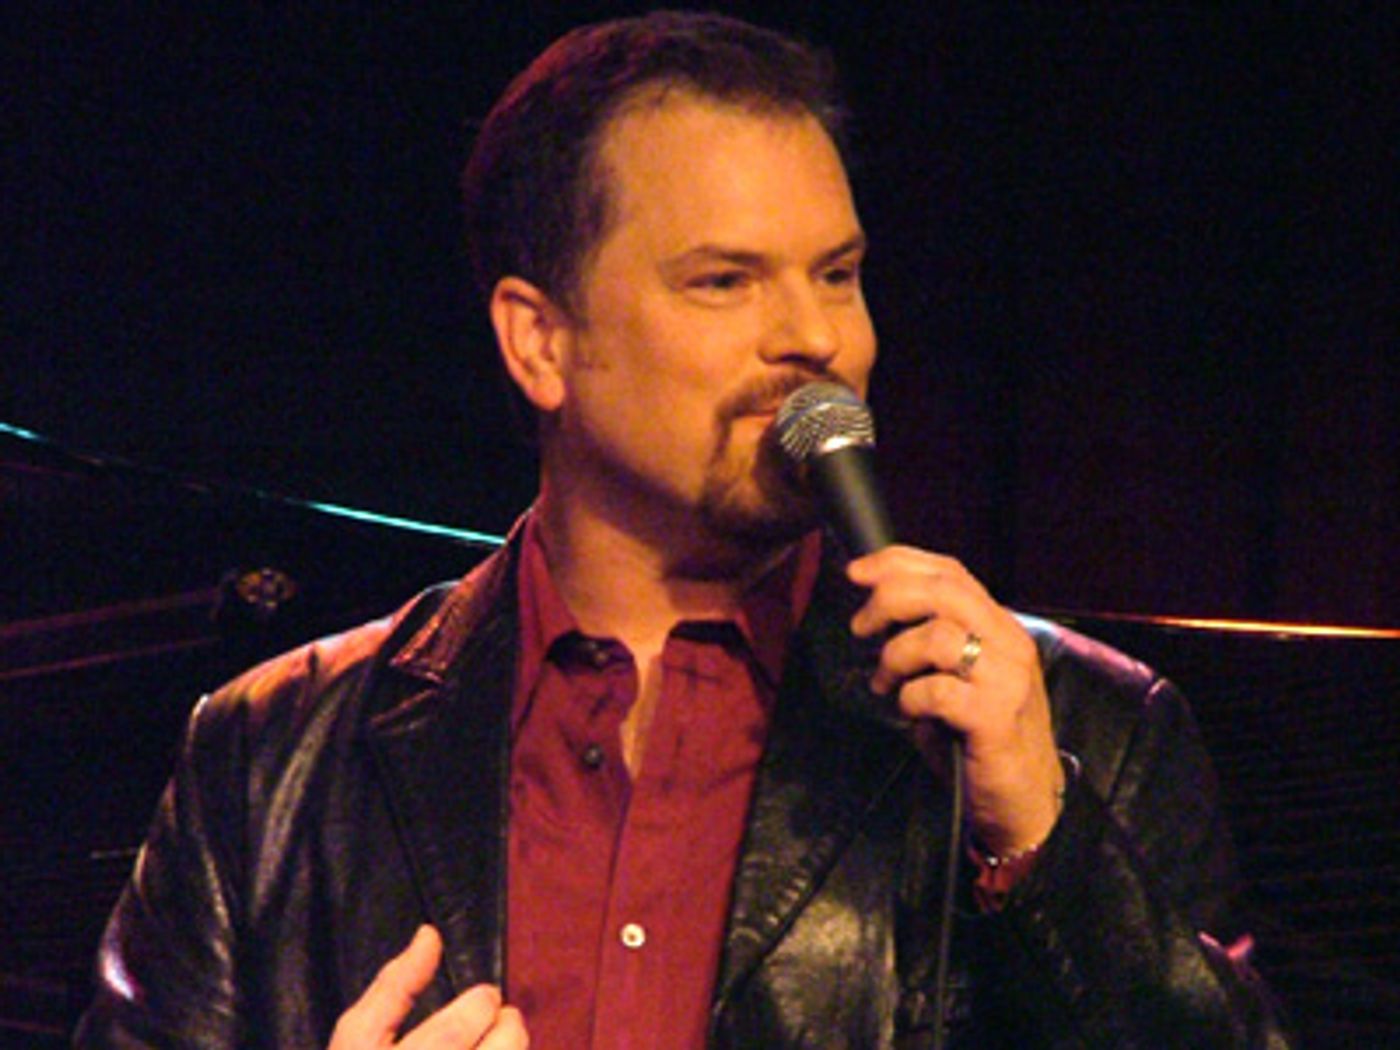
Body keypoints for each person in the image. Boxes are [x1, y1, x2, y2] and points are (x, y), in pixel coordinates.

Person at [77, 11, 1295, 1048]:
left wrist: (1042, 846)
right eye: (724, 281)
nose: (813, 338)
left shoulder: (1079, 731)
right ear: (539, 341)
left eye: (836, 273)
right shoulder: (268, 759)